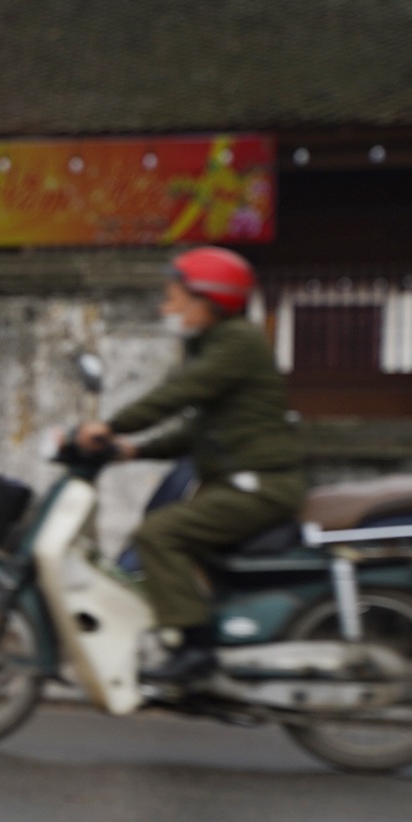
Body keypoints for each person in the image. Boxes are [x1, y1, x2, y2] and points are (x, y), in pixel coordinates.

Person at [76, 247, 302, 684]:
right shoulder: (214, 344)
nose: (166, 308)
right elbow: (198, 432)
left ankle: (195, 651)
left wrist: (110, 426)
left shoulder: (237, 342)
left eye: (173, 298)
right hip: (237, 484)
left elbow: (179, 393)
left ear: (207, 300)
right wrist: (134, 451)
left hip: (261, 487)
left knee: (159, 534)